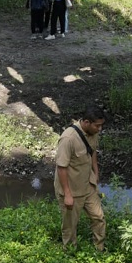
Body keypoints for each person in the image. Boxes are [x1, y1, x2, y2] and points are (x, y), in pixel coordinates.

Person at [54, 105, 107, 251]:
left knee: (99, 218)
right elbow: (61, 167)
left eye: (101, 125)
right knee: (70, 226)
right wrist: (67, 194)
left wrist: (95, 173)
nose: (100, 129)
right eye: (97, 125)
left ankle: (100, 249)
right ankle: (70, 252)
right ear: (86, 122)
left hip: (87, 185)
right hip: (71, 189)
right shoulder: (68, 138)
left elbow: (93, 152)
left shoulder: (93, 132)